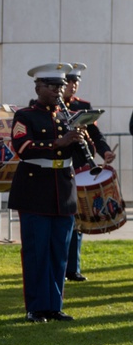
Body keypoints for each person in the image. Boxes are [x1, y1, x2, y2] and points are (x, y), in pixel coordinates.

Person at [10, 63, 86, 321]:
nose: (58, 90)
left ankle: (54, 305)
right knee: (36, 252)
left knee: (58, 252)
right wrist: (58, 142)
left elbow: (81, 157)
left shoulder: (68, 115)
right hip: (35, 190)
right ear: (38, 87)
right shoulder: (25, 115)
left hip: (63, 189)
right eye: (52, 86)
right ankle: (36, 307)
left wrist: (79, 141)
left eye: (61, 86)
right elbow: (23, 148)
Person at [61, 62, 114, 281]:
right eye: (69, 82)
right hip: (61, 167)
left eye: (76, 82)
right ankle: (61, 266)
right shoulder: (49, 108)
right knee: (64, 218)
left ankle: (73, 268)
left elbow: (96, 134)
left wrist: (106, 152)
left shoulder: (83, 105)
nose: (73, 86)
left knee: (79, 217)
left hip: (81, 167)